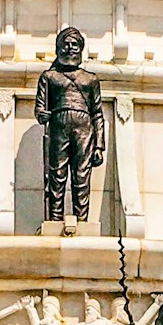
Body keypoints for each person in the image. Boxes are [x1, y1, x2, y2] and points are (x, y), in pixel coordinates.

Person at [34, 29, 106, 230]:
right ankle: (54, 221)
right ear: (58, 48)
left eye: (75, 44)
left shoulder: (90, 80)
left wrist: (99, 146)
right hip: (58, 125)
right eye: (66, 44)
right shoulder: (49, 77)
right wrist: (42, 114)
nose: (70, 48)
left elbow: (97, 114)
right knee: (56, 175)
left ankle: (82, 221)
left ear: (81, 49)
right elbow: (40, 107)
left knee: (82, 176)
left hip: (84, 128)